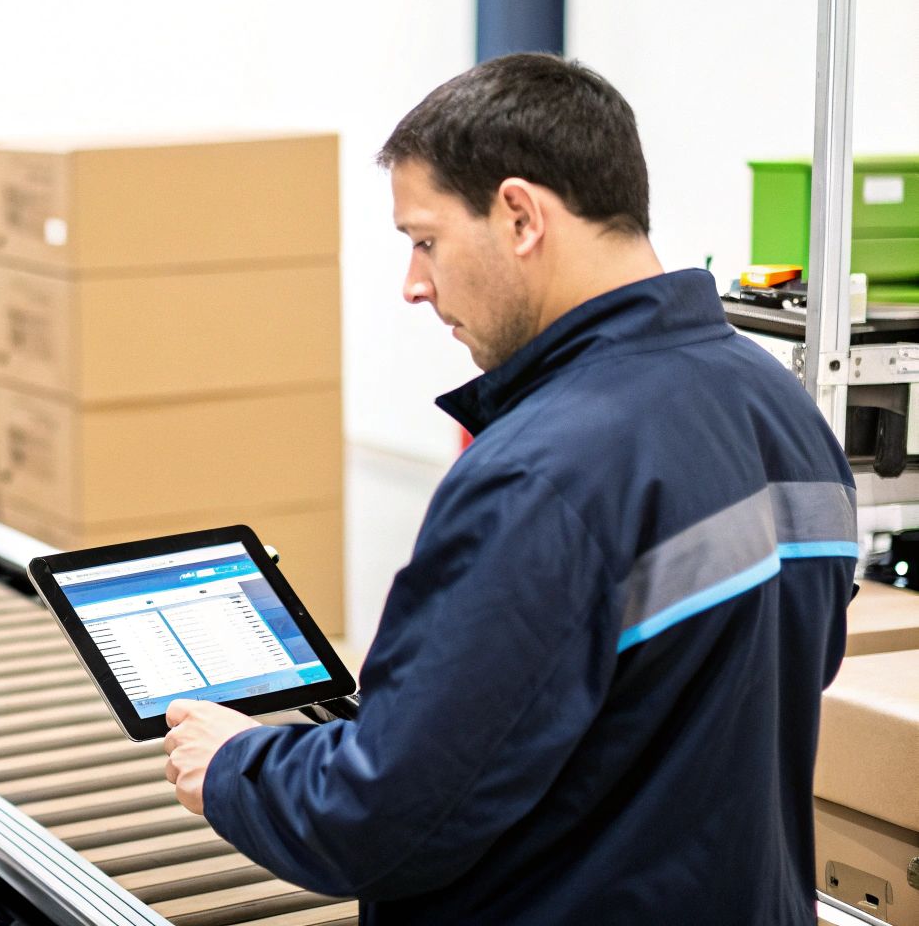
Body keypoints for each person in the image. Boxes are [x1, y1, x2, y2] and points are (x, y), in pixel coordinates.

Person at [162, 54, 856, 923]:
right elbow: (749, 686)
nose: (414, 285)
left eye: (425, 240)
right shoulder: (778, 405)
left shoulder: (542, 474)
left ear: (520, 215)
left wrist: (234, 765)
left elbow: (382, 817)